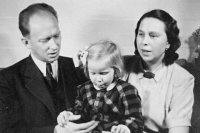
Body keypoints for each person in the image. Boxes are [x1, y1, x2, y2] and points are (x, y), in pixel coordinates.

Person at [0, 3, 98, 133]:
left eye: (56, 36)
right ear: (26, 43)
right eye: (45, 40)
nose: (54, 46)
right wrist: (55, 131)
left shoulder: (76, 67)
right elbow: (7, 130)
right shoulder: (7, 79)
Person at [123, 9, 194, 133]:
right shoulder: (122, 64)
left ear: (168, 43)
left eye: (153, 35)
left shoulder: (182, 79)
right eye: (141, 34)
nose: (144, 42)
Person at [57, 40, 144, 133]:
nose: (98, 79)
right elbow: (80, 111)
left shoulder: (127, 90)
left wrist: (125, 127)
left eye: (103, 73)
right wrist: (69, 114)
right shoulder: (83, 89)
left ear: (116, 70)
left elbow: (135, 118)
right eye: (93, 73)